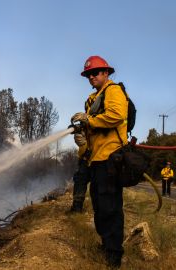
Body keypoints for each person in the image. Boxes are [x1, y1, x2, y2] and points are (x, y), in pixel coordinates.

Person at [71, 55, 128, 268]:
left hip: (110, 158)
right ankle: (106, 244)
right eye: (88, 74)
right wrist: (82, 132)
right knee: (99, 205)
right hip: (96, 159)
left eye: (95, 73)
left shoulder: (113, 91)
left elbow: (116, 115)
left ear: (106, 73)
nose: (91, 77)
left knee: (110, 206)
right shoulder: (94, 98)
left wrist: (89, 120)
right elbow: (93, 126)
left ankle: (114, 254)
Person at [69, 143, 90, 213]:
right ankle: (77, 208)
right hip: (87, 157)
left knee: (80, 181)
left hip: (91, 157)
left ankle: (77, 207)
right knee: (80, 181)